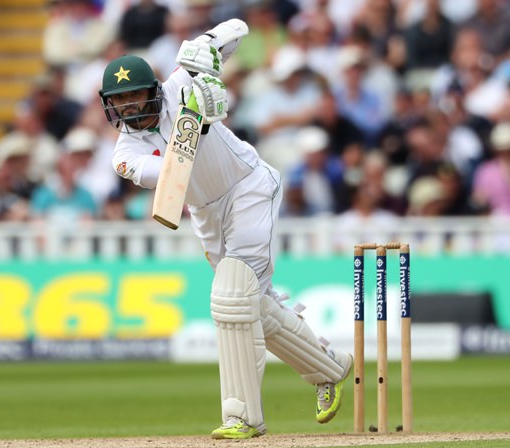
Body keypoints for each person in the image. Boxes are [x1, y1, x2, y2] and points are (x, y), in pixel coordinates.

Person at [97, 19, 352, 440]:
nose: (128, 108)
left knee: (231, 297)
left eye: (134, 96)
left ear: (154, 90)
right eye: (119, 101)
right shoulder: (124, 153)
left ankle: (243, 417)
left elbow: (239, 27)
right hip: (206, 213)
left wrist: (204, 56)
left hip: (247, 185)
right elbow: (173, 170)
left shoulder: (180, 84)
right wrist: (197, 121)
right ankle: (331, 367)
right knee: (252, 305)